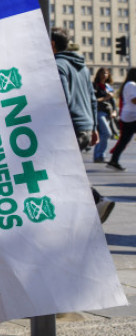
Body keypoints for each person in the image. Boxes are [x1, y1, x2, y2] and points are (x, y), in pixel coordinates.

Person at [50, 28, 113, 223]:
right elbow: (92, 99)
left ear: (52, 45)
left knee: (60, 169)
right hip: (84, 124)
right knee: (65, 168)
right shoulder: (83, 67)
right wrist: (93, 127)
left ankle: (95, 201)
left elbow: (63, 100)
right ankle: (83, 207)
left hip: (71, 126)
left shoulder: (59, 66)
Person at [107, 66, 136, 172]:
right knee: (124, 140)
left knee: (124, 140)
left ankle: (113, 160)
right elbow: (134, 100)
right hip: (132, 117)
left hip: (130, 116)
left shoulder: (130, 85)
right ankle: (113, 160)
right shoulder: (131, 85)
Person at [92, 67, 117, 163]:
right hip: (99, 112)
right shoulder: (95, 86)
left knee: (102, 134)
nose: (104, 75)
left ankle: (98, 156)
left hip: (108, 113)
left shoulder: (108, 86)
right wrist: (106, 97)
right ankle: (100, 154)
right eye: (102, 73)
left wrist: (114, 111)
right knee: (107, 133)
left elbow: (113, 101)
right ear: (98, 74)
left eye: (106, 73)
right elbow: (94, 100)